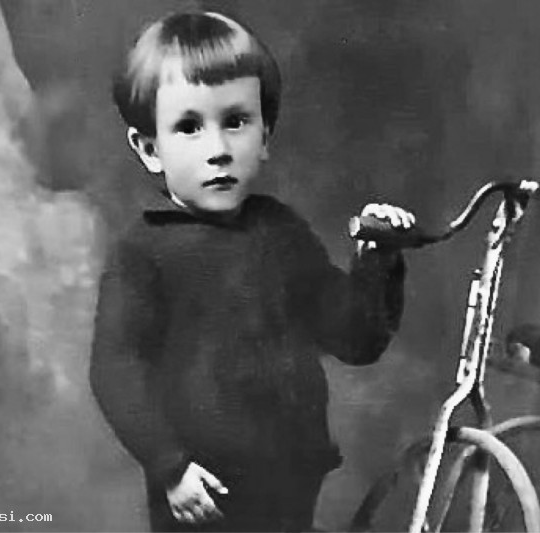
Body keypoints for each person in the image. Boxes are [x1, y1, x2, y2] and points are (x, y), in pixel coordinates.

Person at [89, 10, 416, 532]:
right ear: (150, 149)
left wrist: (377, 259)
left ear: (265, 136)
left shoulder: (281, 233)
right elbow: (116, 371)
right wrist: (169, 466)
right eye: (189, 127)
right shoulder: (144, 251)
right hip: (202, 493)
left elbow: (355, 338)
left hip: (292, 484)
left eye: (236, 121)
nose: (218, 150)